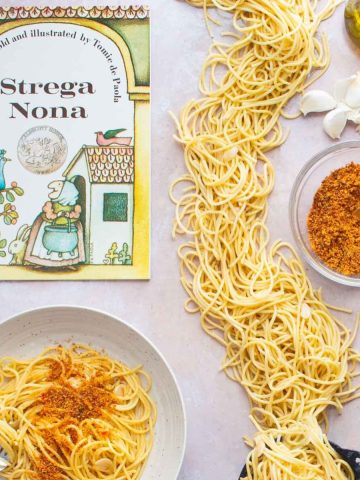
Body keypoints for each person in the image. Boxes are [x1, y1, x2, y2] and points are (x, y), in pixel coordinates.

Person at [24, 179, 85, 267]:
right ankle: (42, 260)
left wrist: (69, 215)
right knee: (44, 238)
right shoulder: (51, 204)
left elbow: (76, 214)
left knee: (67, 241)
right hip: (50, 223)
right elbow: (48, 212)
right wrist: (53, 215)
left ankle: (67, 262)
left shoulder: (73, 206)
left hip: (68, 225)